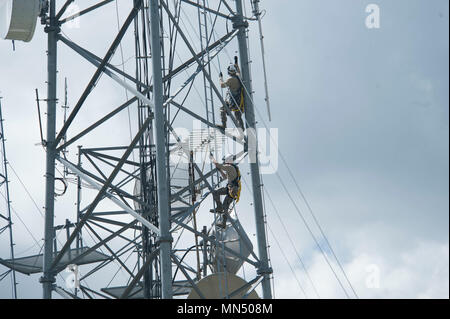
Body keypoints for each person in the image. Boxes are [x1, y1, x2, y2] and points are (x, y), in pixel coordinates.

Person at [209, 153, 242, 229]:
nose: (224, 162)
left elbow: (219, 165)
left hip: (232, 190)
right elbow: (224, 177)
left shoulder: (230, 167)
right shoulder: (232, 168)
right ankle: (219, 208)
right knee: (216, 192)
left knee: (225, 207)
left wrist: (212, 158)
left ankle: (223, 221)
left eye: (225, 161)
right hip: (230, 189)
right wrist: (220, 170)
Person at [218, 56, 245, 131]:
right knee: (237, 115)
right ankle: (242, 129)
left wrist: (220, 78)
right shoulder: (238, 76)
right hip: (239, 101)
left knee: (222, 109)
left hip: (233, 102)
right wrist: (236, 61)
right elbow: (237, 69)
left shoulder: (231, 80)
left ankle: (224, 125)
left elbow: (222, 85)